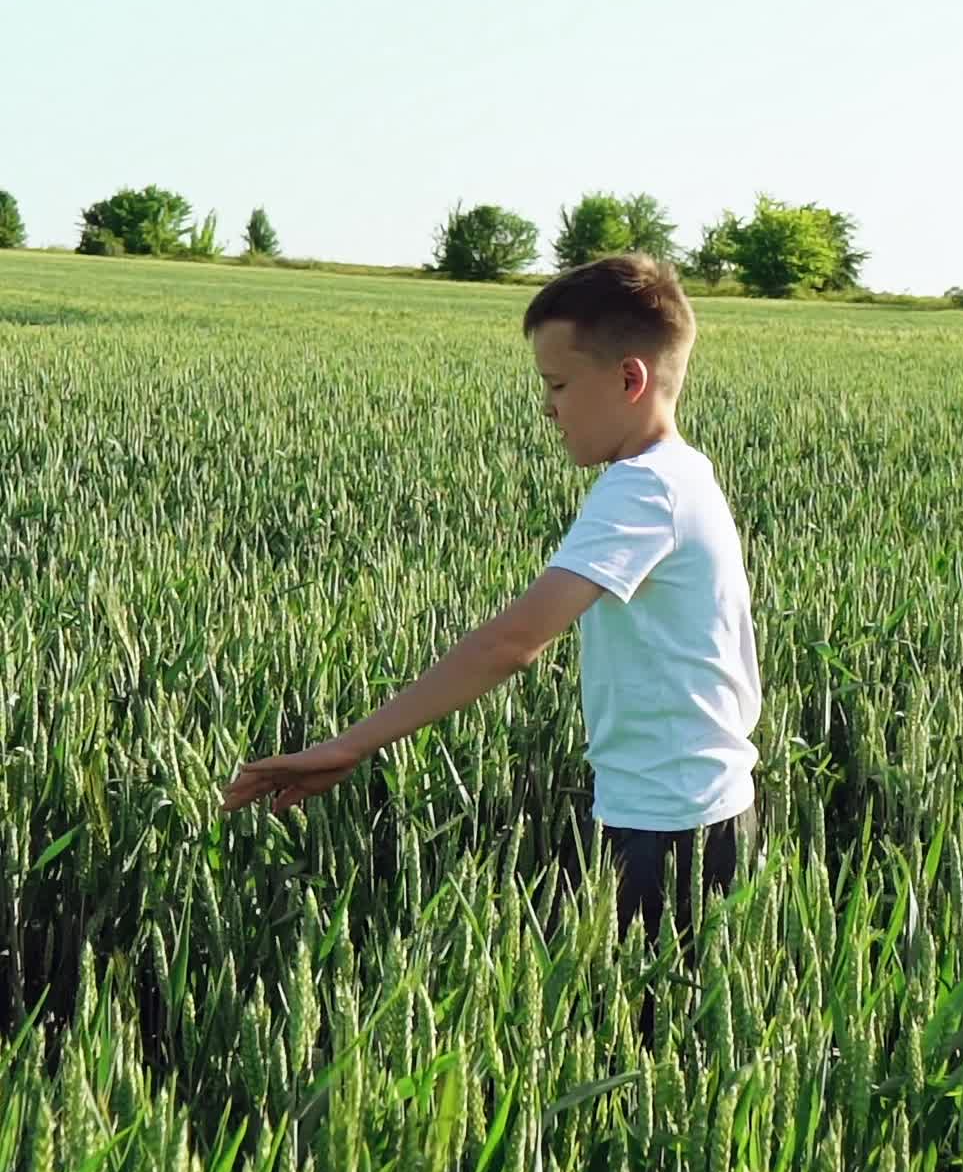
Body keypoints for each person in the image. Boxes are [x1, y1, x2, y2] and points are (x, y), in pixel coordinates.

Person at [220, 253, 762, 952]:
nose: (549, 408)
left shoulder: (645, 488)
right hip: (697, 809)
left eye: (559, 384)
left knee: (642, 1027)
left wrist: (350, 746)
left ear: (630, 379)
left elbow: (513, 643)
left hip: (670, 825)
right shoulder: (687, 476)